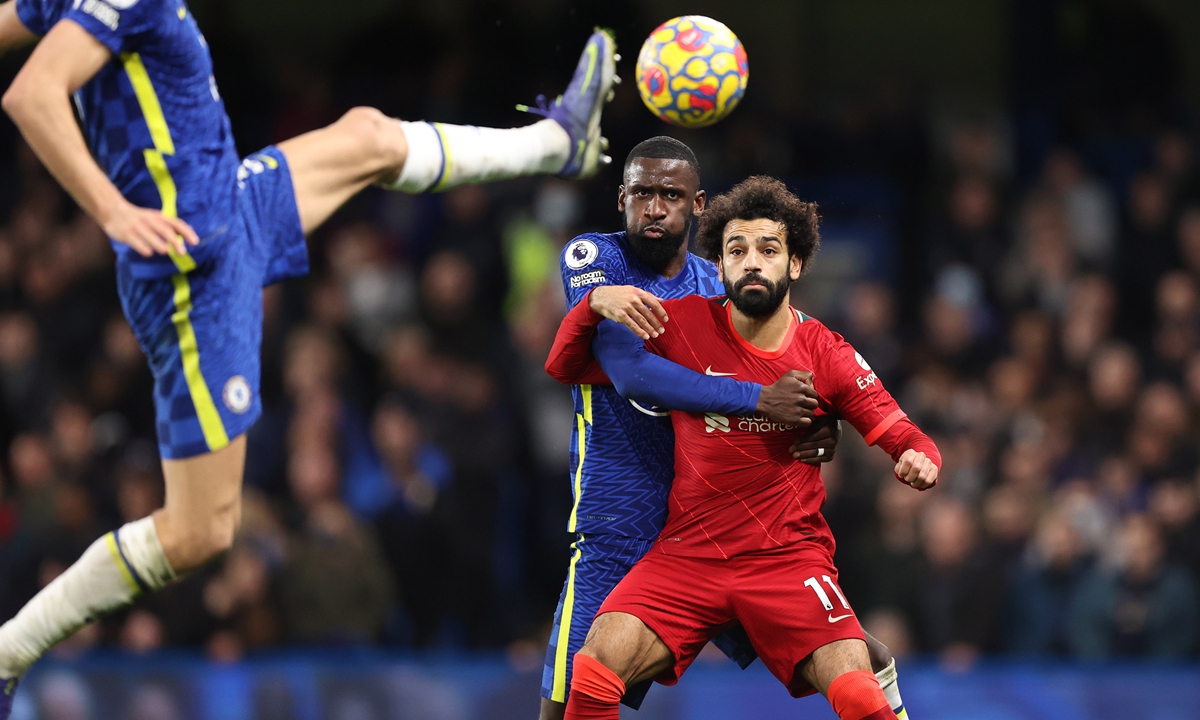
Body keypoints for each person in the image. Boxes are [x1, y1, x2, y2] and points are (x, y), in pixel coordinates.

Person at [0, 0, 617, 712]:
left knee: (369, 137)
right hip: (192, 274)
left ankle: (559, 144)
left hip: (230, 206)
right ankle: (11, 651)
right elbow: (30, 93)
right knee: (200, 531)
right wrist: (111, 212)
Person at [548, 176, 940, 720]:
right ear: (721, 265)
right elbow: (566, 365)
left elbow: (904, 435)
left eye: (768, 250)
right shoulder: (681, 325)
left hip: (785, 559)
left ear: (795, 265)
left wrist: (919, 459)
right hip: (687, 554)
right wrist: (590, 304)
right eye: (737, 250)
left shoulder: (826, 351)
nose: (751, 261)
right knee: (590, 672)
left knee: (856, 693)